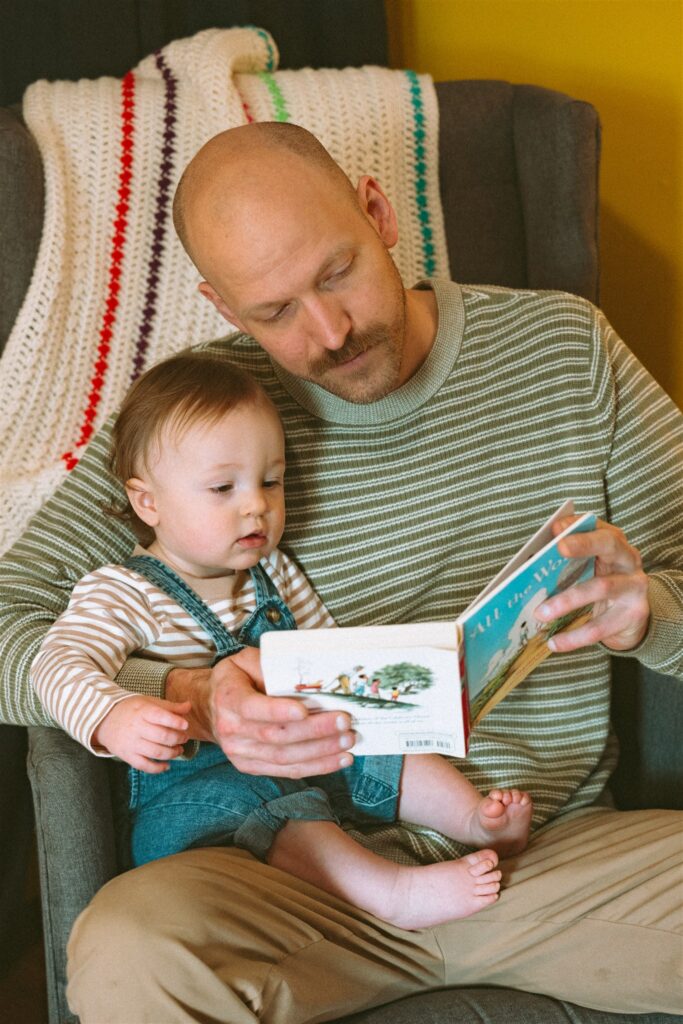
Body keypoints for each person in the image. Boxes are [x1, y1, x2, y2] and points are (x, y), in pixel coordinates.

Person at [0, 122, 681, 1021]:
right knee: (130, 953)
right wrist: (194, 698)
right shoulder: (196, 423)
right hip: (291, 883)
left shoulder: (567, 350)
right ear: (223, 306)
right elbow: (15, 618)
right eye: (275, 313)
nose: (329, 331)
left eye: (336, 273)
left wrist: (651, 612)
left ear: (377, 212)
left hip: (546, 859)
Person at [30, 349, 532, 926]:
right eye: (223, 488)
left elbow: (328, 657)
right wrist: (110, 716)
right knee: (269, 804)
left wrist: (379, 698)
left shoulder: (277, 574)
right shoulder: (121, 593)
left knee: (380, 742)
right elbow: (56, 663)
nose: (256, 506)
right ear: (148, 502)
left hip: (306, 754)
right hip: (200, 800)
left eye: (271, 481)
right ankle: (393, 893)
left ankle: (473, 820)